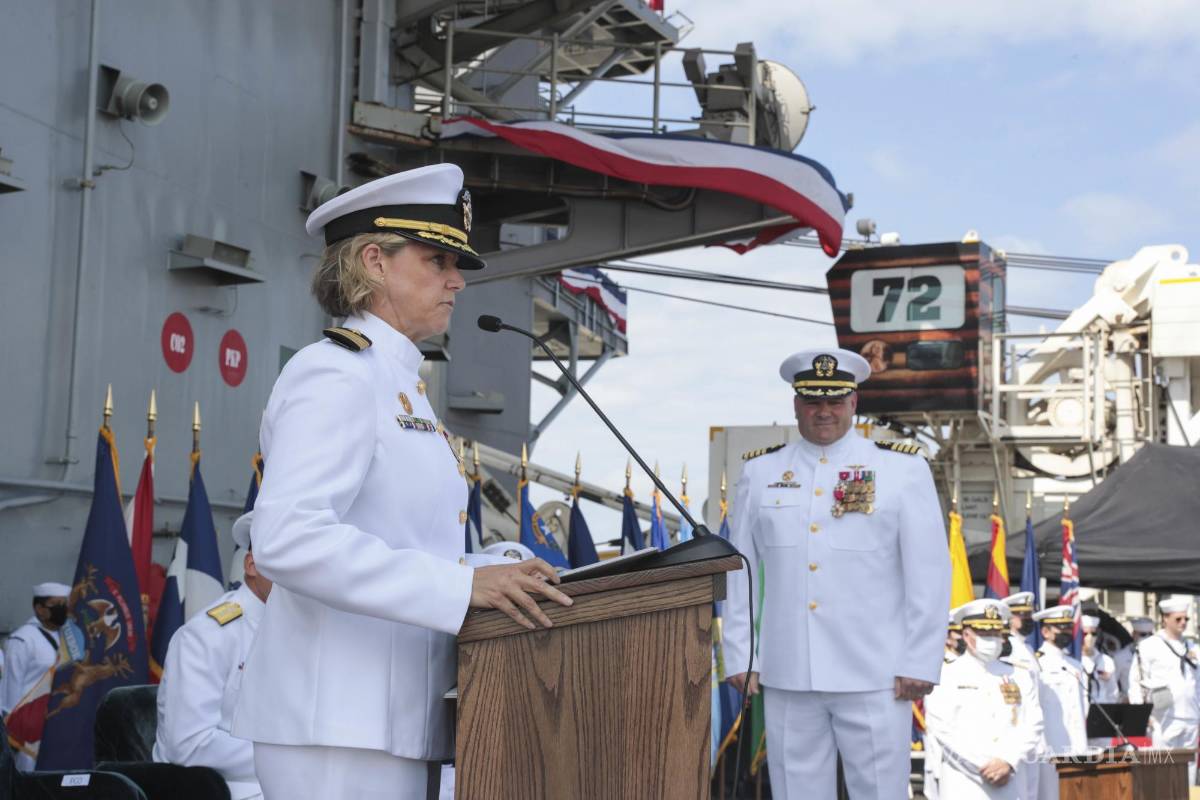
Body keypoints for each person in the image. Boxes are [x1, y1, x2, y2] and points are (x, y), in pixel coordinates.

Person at [229, 163, 573, 800]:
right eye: (437, 259)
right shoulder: (336, 373)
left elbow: (397, 540)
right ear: (373, 261)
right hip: (331, 723)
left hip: (385, 720)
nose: (456, 281)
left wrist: (492, 566)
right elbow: (288, 540)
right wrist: (462, 584)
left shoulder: (398, 385)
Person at [723, 348, 951, 800]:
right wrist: (740, 653)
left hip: (878, 673)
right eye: (812, 401)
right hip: (789, 670)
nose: (823, 411)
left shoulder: (902, 468)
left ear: (853, 402)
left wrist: (920, 659)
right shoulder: (761, 471)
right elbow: (740, 570)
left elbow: (929, 570)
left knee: (881, 793)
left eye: (834, 400)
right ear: (795, 405)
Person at [154, 517, 271, 799]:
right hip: (223, 789)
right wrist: (289, 758)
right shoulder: (208, 634)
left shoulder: (297, 630)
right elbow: (190, 745)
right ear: (252, 565)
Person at [924, 599, 1043, 800]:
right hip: (965, 782)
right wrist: (984, 766)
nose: (991, 640)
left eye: (995, 633)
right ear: (966, 635)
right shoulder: (945, 674)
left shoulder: (1019, 675)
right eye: (984, 633)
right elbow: (941, 728)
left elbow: (1034, 723)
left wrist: (1008, 762)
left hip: (1010, 780)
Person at [0, 582, 70, 771]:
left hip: (59, 721)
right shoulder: (23, 639)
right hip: (29, 730)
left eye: (65, 605)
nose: (62, 610)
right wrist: (13, 734)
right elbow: (10, 693)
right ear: (39, 608)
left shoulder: (69, 637)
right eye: (56, 605)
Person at [1128, 596, 1198, 771]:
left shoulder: (1192, 647)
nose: (1183, 622)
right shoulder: (1149, 646)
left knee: (1188, 769)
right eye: (1178, 619)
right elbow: (1136, 682)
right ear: (1165, 619)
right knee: (1162, 769)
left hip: (1190, 716)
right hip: (1162, 717)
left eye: (1186, 619)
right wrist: (1142, 714)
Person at [1032, 604, 1088, 800]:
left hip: (1077, 745)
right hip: (1050, 746)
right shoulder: (1035, 663)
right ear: (1046, 632)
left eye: (1068, 627)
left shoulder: (1075, 665)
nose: (1065, 632)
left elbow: (1083, 708)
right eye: (1060, 628)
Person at [924, 610, 967, 800]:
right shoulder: (940, 666)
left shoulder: (970, 665)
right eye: (959, 633)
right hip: (944, 753)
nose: (963, 638)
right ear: (948, 638)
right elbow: (937, 717)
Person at [1080, 615, 1118, 705]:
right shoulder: (1072, 661)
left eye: (1093, 634)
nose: (1089, 638)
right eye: (1085, 634)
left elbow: (1113, 693)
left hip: (1101, 711)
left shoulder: (1106, 661)